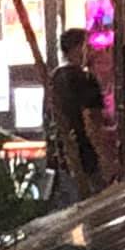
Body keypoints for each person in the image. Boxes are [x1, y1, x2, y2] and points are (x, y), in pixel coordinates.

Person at [46, 26, 110, 206]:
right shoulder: (85, 80)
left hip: (64, 156)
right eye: (87, 46)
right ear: (76, 48)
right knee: (95, 209)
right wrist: (105, 159)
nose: (91, 51)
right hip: (86, 156)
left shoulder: (54, 78)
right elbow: (92, 122)